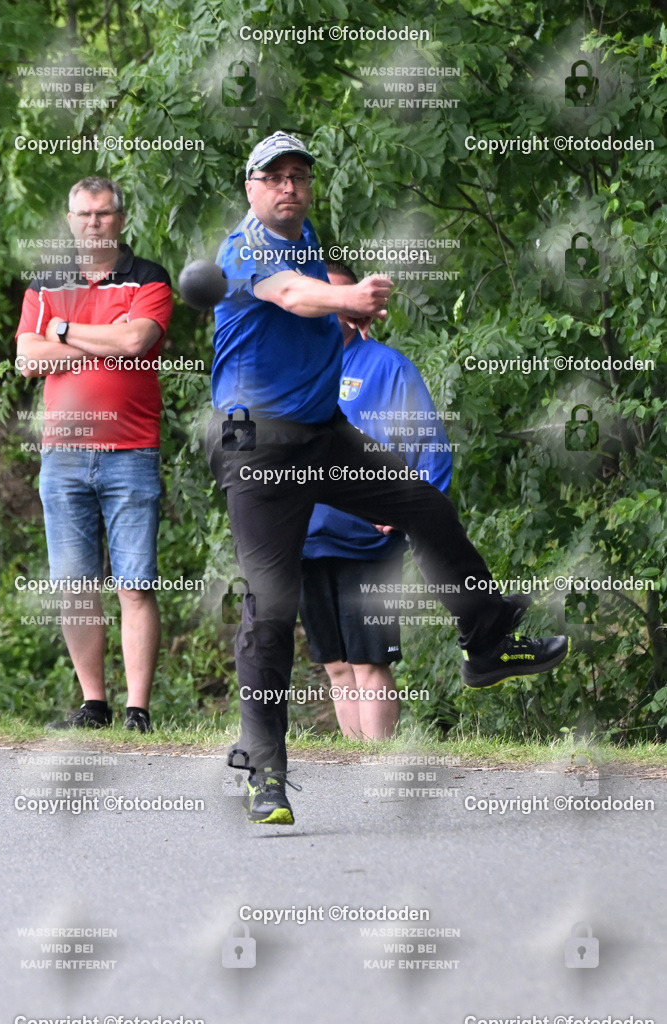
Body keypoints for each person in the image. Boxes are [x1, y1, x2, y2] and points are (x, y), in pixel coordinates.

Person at [208, 130, 569, 825]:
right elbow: (288, 295)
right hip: (258, 450)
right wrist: (343, 301)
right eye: (273, 176)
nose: (288, 186)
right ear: (250, 186)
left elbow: (306, 290)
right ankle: (264, 772)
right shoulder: (245, 247)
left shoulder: (305, 235)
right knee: (272, 608)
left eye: (298, 176)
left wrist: (344, 303)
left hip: (320, 433)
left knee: (421, 503)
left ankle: (487, 639)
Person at [15, 175, 173, 733]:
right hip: (62, 455)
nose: (92, 223)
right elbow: (27, 358)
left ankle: (138, 710)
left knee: (135, 582)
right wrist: (94, 334)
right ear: (69, 219)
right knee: (76, 586)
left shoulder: (148, 277)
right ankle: (94, 704)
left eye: (103, 214)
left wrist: (60, 330)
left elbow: (135, 342)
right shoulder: (48, 280)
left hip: (130, 451)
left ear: (120, 219)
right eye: (82, 214)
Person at [299, 261, 453, 740]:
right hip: (304, 541)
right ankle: (354, 769)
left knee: (369, 664)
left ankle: (376, 769)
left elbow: (430, 445)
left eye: (346, 300)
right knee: (337, 668)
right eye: (327, 300)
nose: (337, 310)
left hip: (367, 543)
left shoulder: (387, 367)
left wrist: (407, 510)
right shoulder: (294, 373)